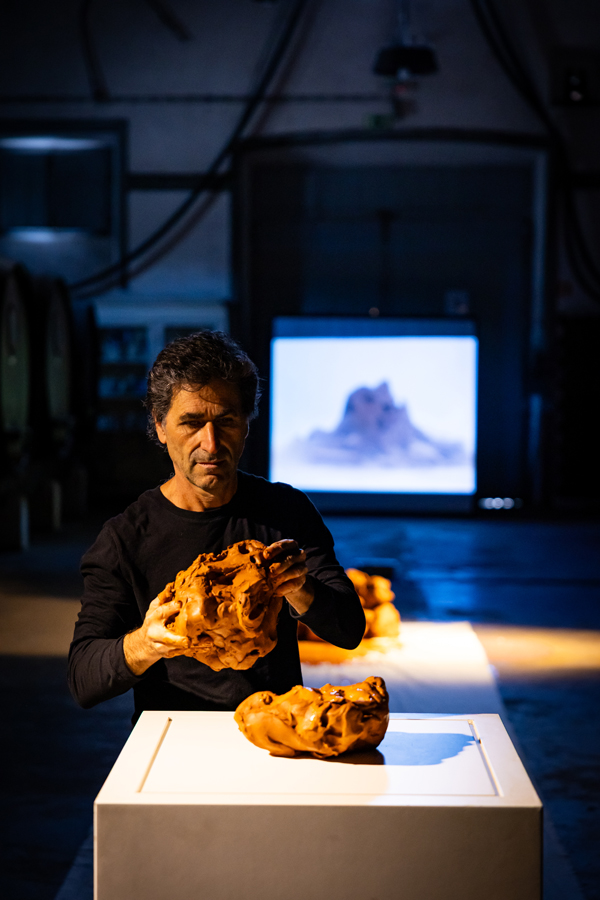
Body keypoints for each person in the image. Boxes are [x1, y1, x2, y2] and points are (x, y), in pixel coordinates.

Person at [68, 331, 365, 721]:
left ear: (246, 424)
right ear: (159, 426)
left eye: (225, 421)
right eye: (191, 423)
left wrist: (300, 589)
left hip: (274, 731)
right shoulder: (125, 539)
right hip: (175, 739)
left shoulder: (285, 512)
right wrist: (146, 642)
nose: (210, 443)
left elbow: (349, 629)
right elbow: (83, 679)